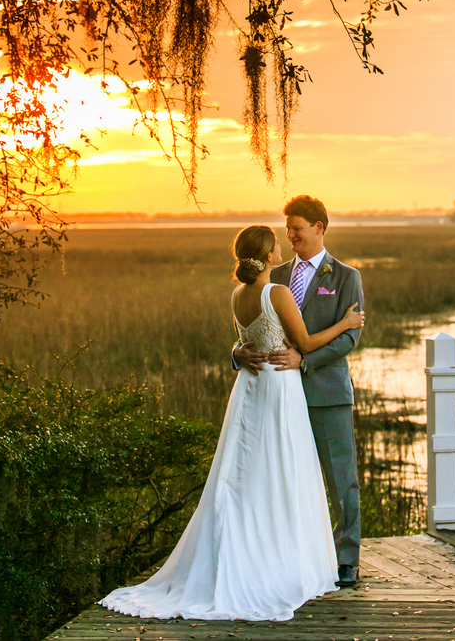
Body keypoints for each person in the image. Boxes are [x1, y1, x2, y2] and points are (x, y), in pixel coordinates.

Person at [99, 224, 364, 622]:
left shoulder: (238, 293)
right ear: (268, 254)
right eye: (278, 240)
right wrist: (346, 324)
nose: (283, 242)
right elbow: (305, 343)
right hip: (278, 390)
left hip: (251, 391)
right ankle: (278, 561)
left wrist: (240, 351)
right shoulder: (277, 291)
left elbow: (246, 338)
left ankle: (259, 552)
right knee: (283, 470)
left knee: (248, 474)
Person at [233, 196, 364, 586]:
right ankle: (294, 556)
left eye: (297, 229)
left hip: (326, 392)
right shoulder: (273, 276)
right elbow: (254, 325)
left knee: (342, 480)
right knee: (284, 477)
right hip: (278, 396)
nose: (290, 236)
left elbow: (350, 338)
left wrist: (305, 362)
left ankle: (346, 560)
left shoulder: (345, 276)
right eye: (287, 229)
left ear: (319, 228)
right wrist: (238, 352)